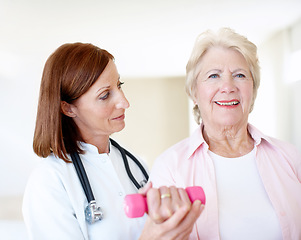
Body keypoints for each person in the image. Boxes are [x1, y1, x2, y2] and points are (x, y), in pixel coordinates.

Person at [22, 42, 203, 240]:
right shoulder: (49, 181)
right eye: (105, 95)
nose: (125, 102)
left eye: (119, 85)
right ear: (68, 108)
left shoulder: (136, 166)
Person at [150, 28, 301, 240]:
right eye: (213, 76)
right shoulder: (170, 167)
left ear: (253, 90)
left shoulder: (290, 157)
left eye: (239, 75)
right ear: (194, 92)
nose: (228, 86)